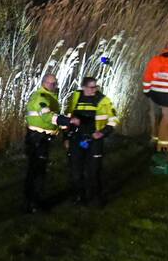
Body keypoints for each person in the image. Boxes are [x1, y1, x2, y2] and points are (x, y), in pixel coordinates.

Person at [23, 73, 74, 214]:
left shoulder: (50, 97)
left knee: (37, 170)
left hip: (41, 139)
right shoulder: (41, 98)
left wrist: (65, 130)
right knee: (37, 172)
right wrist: (66, 121)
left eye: (55, 83)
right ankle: (34, 204)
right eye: (52, 84)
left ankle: (32, 202)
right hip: (37, 139)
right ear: (44, 83)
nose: (55, 86)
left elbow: (53, 117)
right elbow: (47, 116)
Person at [65, 77, 119, 208]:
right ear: (83, 87)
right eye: (91, 87)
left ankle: (96, 199)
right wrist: (66, 137)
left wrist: (103, 132)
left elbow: (114, 119)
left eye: (96, 87)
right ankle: (79, 197)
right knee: (76, 171)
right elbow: (67, 118)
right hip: (77, 138)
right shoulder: (75, 98)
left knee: (94, 171)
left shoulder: (103, 100)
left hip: (94, 139)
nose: (94, 90)